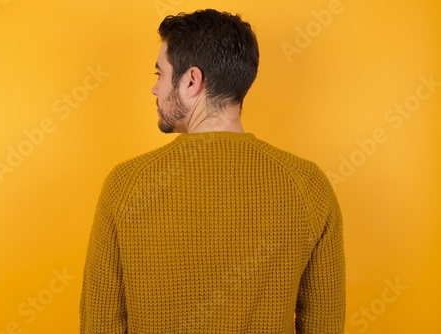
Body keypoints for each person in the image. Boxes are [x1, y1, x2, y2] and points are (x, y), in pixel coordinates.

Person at [80, 8, 345, 333]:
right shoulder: (308, 186)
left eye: (159, 74)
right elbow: (324, 325)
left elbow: (100, 325)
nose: (155, 89)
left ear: (191, 80)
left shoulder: (126, 185)